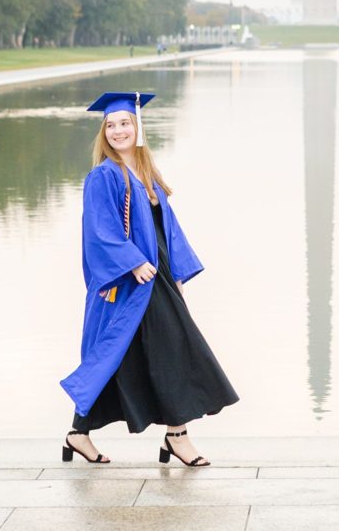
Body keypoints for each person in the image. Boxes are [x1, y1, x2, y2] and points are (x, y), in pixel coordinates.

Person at [59, 91, 238, 466]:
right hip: (134, 281)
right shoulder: (103, 176)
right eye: (111, 125)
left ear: (138, 127)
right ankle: (177, 436)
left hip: (159, 277)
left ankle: (79, 433)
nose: (118, 131)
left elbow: (166, 228)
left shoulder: (147, 174)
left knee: (133, 355)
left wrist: (177, 273)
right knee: (170, 349)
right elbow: (99, 231)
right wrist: (131, 263)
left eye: (125, 123)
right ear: (103, 132)